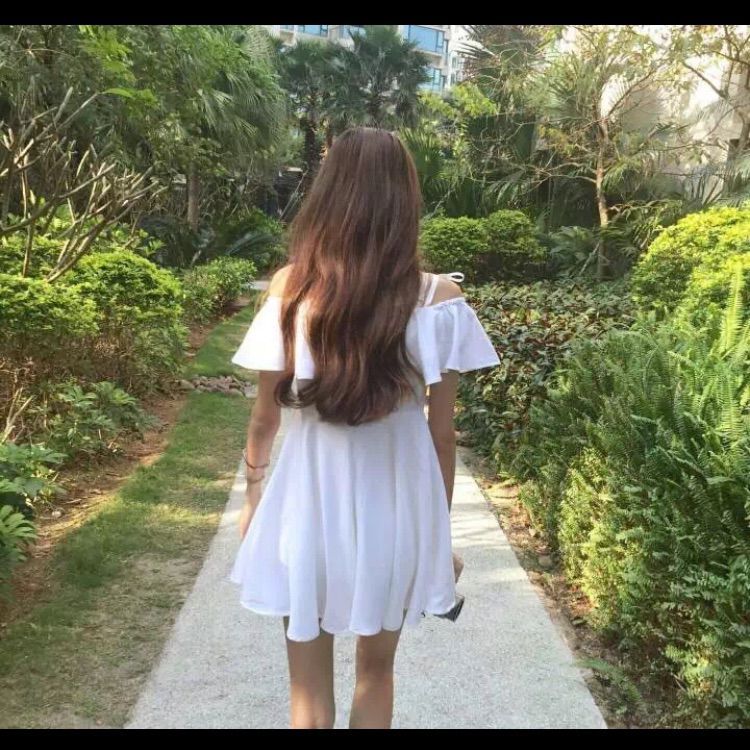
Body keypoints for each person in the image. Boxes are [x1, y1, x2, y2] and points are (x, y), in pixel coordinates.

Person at [229, 127, 500, 729]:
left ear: (329, 194)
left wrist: (252, 496)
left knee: (306, 692)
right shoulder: (438, 299)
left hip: (306, 509)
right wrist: (436, 536)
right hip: (395, 515)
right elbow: (442, 434)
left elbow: (265, 416)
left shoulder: (291, 289)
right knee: (376, 674)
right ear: (405, 198)